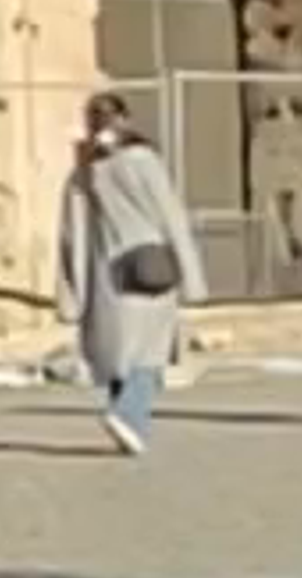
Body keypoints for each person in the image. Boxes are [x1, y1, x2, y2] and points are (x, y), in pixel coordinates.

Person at [56, 88, 203, 454]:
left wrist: (71, 294)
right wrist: (193, 276)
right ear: (123, 119)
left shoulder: (83, 173)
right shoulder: (143, 160)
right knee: (150, 354)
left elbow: (70, 237)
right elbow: (171, 217)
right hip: (148, 265)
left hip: (105, 272)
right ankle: (129, 416)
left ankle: (126, 423)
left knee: (120, 352)